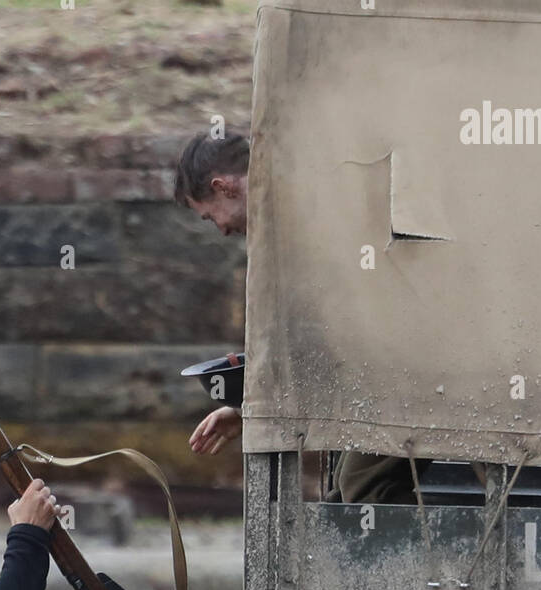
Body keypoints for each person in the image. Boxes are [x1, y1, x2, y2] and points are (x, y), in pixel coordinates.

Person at [174, 130, 425, 503]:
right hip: (402, 362)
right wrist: (249, 410)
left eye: (211, 217)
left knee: (361, 487)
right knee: (348, 489)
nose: (223, 230)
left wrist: (256, 405)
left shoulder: (303, 213)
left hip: (418, 360)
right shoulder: (302, 197)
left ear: (223, 186)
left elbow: (329, 330)